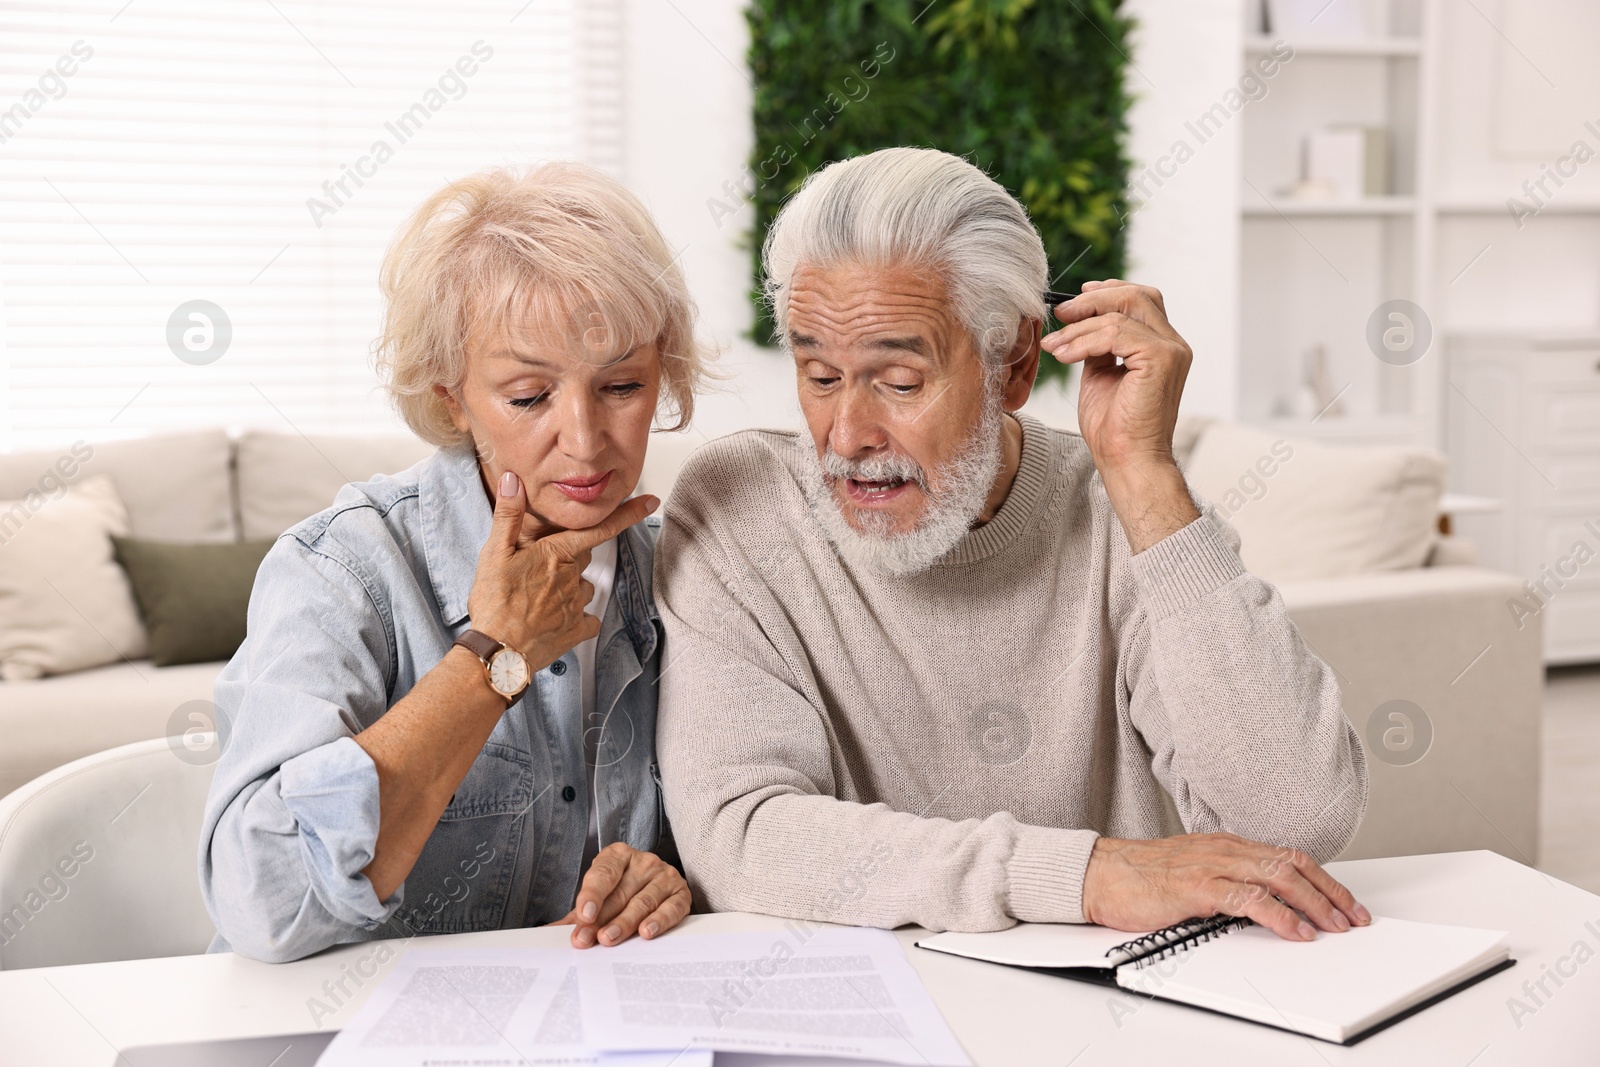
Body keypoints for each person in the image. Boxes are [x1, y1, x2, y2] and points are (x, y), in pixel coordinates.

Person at [654, 147, 1370, 942]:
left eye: (898, 381)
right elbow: (743, 838)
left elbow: (1296, 820)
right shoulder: (739, 511)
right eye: (820, 376)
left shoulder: (1119, 513)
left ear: (1014, 362)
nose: (848, 435)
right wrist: (1085, 873)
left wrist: (1146, 479)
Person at [200, 163, 707, 963]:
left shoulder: (687, 580)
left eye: (620, 384)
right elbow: (264, 896)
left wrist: (673, 882)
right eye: (529, 396)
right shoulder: (343, 570)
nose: (583, 438)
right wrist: (491, 660)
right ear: (451, 400)